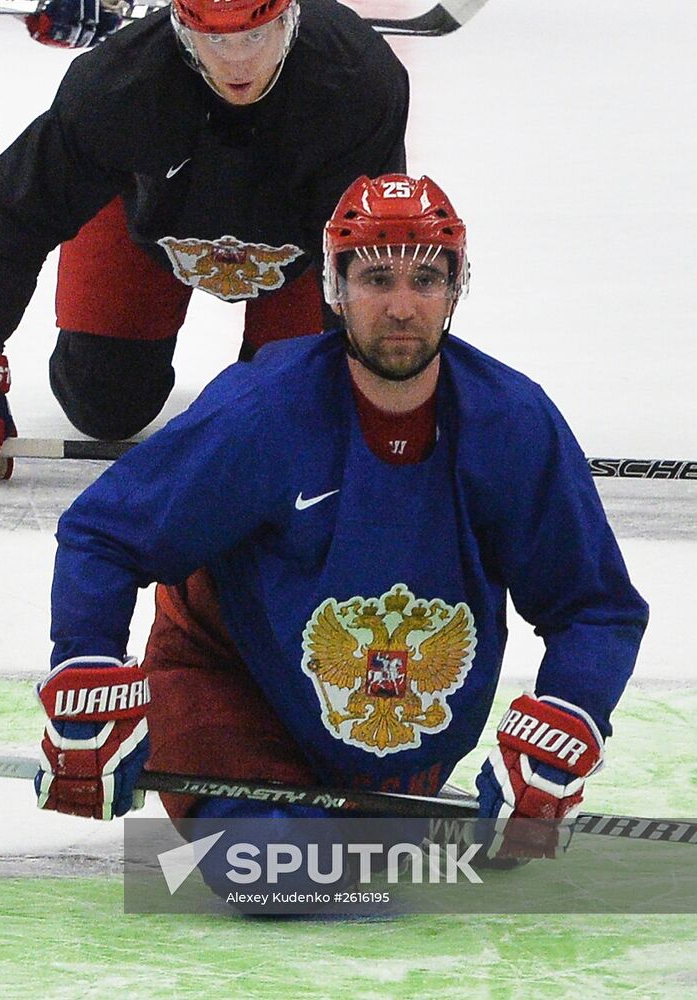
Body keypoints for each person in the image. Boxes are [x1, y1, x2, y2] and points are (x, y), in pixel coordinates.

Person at [35, 173, 648, 868]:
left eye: (425, 279)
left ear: (456, 288)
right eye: (375, 278)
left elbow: (594, 608)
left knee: (372, 875)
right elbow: (105, 535)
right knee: (278, 875)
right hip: (233, 701)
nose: (400, 307)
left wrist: (568, 719)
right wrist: (85, 674)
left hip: (393, 740)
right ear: (334, 287)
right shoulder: (263, 410)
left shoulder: (512, 423)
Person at [0, 0, 409, 480]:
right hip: (148, 223)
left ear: (290, 22)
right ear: (182, 31)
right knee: (102, 405)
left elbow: (370, 248)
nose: (238, 62)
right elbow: (12, 210)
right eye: (217, 40)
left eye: (254, 36)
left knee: (289, 414)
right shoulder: (115, 85)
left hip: (307, 246)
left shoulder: (357, 80)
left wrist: (376, 391)